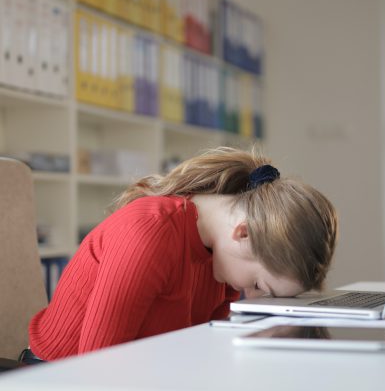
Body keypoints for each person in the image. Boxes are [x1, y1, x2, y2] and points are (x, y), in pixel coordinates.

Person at [28, 146, 338, 361]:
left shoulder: (223, 258)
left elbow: (200, 348)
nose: (251, 296)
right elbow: (98, 367)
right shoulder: (150, 232)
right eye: (259, 287)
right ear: (243, 233)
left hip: (140, 375)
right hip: (57, 380)